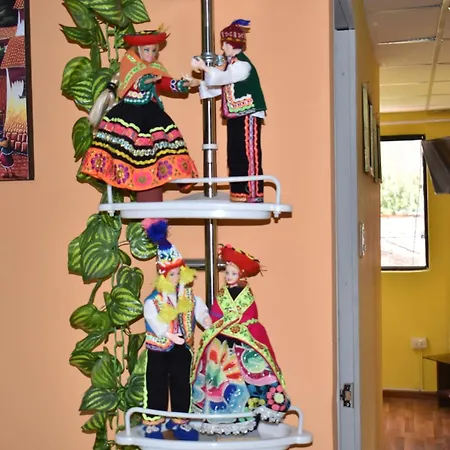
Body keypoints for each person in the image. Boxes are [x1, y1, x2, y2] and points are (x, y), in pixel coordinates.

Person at [81, 28, 200, 202]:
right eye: (147, 50)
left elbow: (166, 83)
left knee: (161, 150)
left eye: (154, 50)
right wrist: (147, 80)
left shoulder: (156, 68)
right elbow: (137, 82)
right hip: (130, 117)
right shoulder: (130, 65)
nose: (150, 54)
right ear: (138, 50)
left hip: (152, 116)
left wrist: (183, 84)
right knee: (128, 153)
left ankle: (155, 181)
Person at [191, 244, 290, 435]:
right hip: (221, 341)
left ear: (241, 275)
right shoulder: (222, 294)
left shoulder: (246, 295)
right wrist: (214, 323)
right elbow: (216, 313)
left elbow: (250, 317)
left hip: (240, 341)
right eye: (227, 273)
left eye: (233, 273)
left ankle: (248, 411)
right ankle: (216, 414)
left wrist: (234, 327)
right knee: (216, 377)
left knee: (250, 371)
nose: (229, 277)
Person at [141, 218, 212, 440]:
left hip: (183, 348)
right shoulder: (154, 300)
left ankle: (181, 421)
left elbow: (199, 309)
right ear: (163, 276)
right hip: (159, 348)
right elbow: (152, 318)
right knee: (156, 384)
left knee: (182, 383)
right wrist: (168, 333)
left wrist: (206, 321)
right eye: (171, 274)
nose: (176, 278)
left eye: (178, 273)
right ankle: (153, 422)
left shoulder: (188, 296)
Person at [192, 20, 267, 204]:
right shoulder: (232, 65)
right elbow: (222, 86)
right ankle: (239, 192)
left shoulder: (242, 65)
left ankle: (253, 192)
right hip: (236, 114)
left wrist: (204, 68)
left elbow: (224, 78)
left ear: (233, 45)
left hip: (248, 114)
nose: (223, 48)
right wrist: (199, 83)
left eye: (225, 44)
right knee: (235, 153)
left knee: (248, 153)